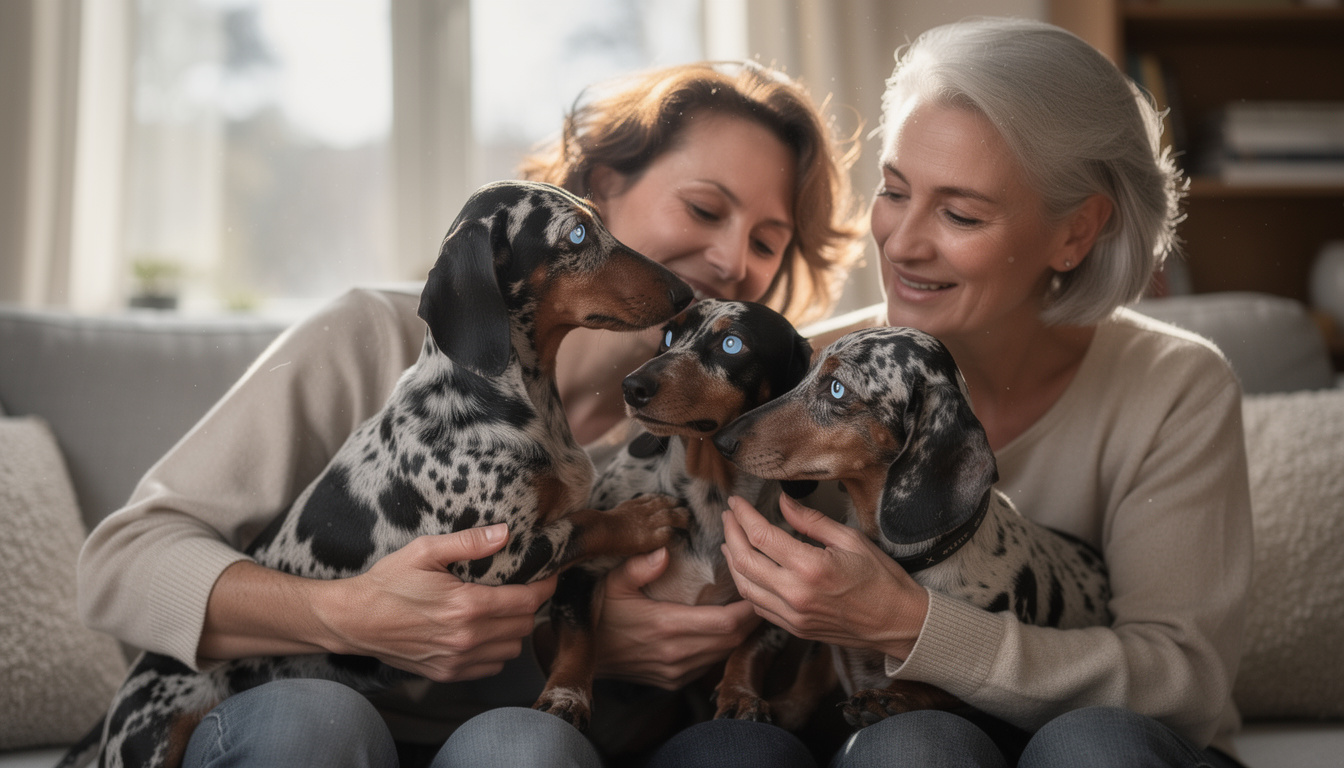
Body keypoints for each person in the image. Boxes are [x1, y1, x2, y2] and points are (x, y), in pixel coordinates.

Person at [75, 60, 864, 768]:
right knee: (315, 722)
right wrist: (345, 615)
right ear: (597, 189)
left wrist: (582, 651)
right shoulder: (373, 341)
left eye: (769, 242)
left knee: (543, 748)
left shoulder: (736, 435)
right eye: (704, 209)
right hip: (288, 722)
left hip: (515, 741)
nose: (733, 260)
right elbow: (119, 567)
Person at [712, 17, 1254, 768]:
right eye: (895, 191)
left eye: (961, 213)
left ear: (1077, 233)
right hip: (896, 737)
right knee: (911, 747)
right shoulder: (809, 369)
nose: (902, 242)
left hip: (1120, 745)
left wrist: (912, 625)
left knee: (1094, 747)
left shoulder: (1174, 386)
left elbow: (1184, 683)